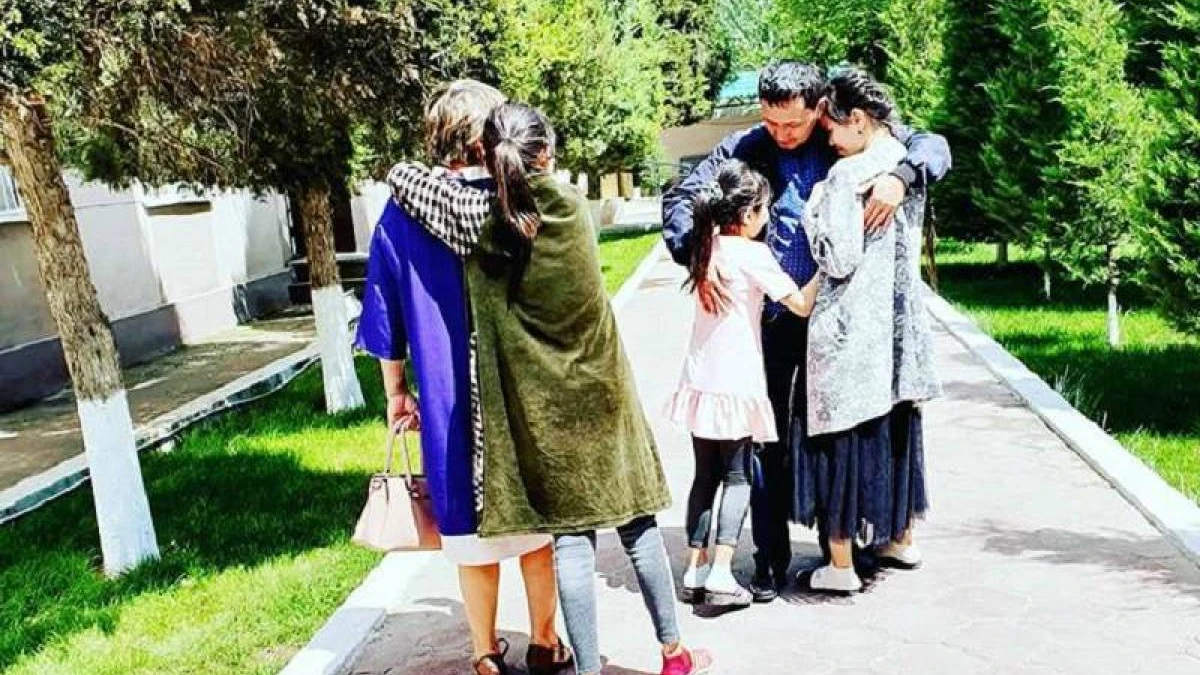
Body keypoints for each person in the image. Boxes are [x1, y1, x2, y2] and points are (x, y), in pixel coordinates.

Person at [385, 102, 713, 675]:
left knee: (572, 542)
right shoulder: (572, 205)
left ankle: (586, 670)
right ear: (549, 153)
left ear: (487, 154)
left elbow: (403, 177)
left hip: (542, 412)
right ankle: (673, 654)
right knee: (636, 525)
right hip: (605, 396)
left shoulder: (474, 217)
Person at [662, 61, 952, 601]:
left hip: (837, 324)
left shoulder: (841, 135)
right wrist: (696, 256)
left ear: (818, 109)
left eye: (793, 124)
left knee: (834, 436)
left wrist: (902, 177)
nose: (782, 134)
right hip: (770, 320)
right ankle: (769, 559)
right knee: (764, 441)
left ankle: (841, 549)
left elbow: (932, 146)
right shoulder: (747, 145)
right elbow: (683, 196)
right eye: (771, 122)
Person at [354, 80, 571, 675]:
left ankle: (483, 652)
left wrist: (396, 391)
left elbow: (384, 312)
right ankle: (545, 641)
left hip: (447, 400)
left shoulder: (401, 213)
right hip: (517, 393)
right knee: (534, 528)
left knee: (470, 537)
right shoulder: (514, 203)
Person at [795, 65, 932, 593]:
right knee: (895, 432)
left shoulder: (845, 176)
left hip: (850, 332)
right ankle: (900, 539)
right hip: (897, 334)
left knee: (841, 443)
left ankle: (841, 567)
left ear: (855, 119)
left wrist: (812, 213)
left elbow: (839, 257)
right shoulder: (903, 163)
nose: (828, 140)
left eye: (831, 128)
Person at [665, 159, 815, 608]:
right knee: (737, 477)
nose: (767, 217)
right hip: (736, 383)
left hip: (699, 380)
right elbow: (800, 305)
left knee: (704, 477)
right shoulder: (753, 254)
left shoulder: (704, 247)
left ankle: (694, 568)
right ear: (748, 214)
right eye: (765, 210)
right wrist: (827, 269)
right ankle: (722, 572)